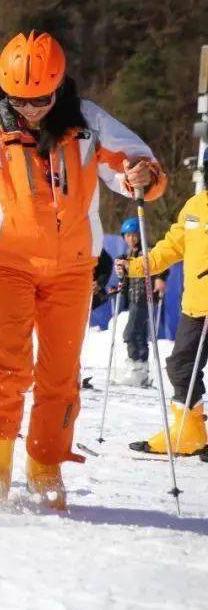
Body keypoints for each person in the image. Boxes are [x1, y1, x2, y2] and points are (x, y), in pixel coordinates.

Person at [0, 30, 165, 510]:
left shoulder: (88, 123)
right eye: (19, 100)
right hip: (6, 264)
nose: (30, 110)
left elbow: (136, 164)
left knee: (60, 374)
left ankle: (47, 467)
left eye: (41, 99)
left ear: (59, 86)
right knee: (7, 367)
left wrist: (141, 176)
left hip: (71, 268)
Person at [117, 157, 208, 456]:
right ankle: (189, 434)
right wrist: (133, 267)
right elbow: (169, 249)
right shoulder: (194, 207)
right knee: (181, 367)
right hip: (197, 306)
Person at [116, 216, 168, 387]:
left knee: (130, 333)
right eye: (128, 235)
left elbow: (161, 264)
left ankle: (136, 368)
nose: (132, 238)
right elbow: (125, 279)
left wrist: (160, 278)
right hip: (133, 298)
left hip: (145, 297)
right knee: (138, 334)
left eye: (135, 234)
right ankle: (141, 372)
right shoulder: (126, 255)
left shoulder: (148, 251)